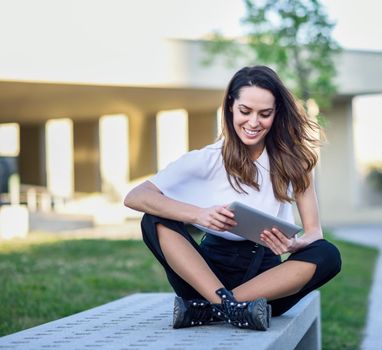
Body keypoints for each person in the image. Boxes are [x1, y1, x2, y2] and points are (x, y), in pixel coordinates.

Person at [124, 65, 341, 331]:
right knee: (153, 219)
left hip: (266, 280)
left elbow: (314, 232)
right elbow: (136, 196)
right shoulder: (206, 158)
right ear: (230, 107)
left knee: (328, 254)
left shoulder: (295, 162)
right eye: (245, 111)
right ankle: (227, 305)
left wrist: (296, 244)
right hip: (206, 275)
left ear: (277, 114)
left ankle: (210, 309)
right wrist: (198, 214)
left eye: (265, 114)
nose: (253, 123)